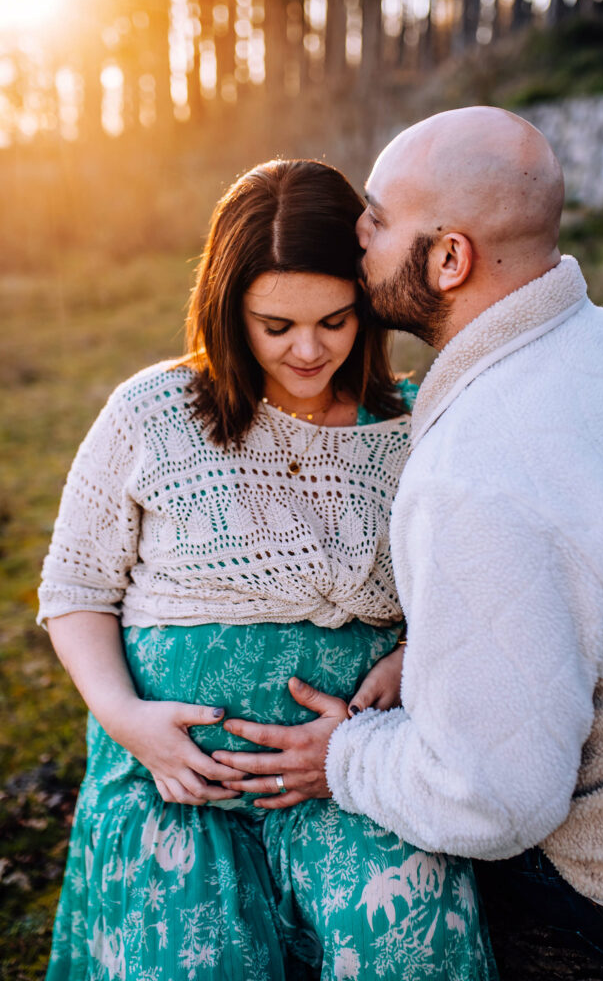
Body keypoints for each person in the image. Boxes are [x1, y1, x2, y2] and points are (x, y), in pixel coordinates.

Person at [212, 111, 603, 980]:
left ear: (448, 260)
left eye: (379, 218)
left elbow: (492, 803)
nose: (358, 233)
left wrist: (342, 757)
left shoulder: (478, 468)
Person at [38, 158, 497, 981]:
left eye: (334, 320)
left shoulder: (418, 424)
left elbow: (472, 584)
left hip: (351, 771)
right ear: (227, 308)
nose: (308, 350)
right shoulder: (152, 412)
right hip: (176, 784)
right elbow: (76, 590)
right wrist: (125, 719)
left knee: (406, 942)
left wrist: (412, 657)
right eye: (275, 325)